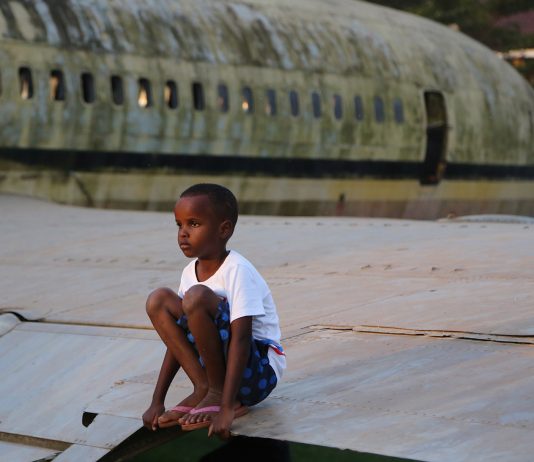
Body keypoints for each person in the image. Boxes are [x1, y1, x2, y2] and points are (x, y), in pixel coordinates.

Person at [142, 183, 285, 438]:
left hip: (257, 371)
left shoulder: (237, 270)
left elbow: (241, 339)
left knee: (196, 298)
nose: (183, 233)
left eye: (194, 224)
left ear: (223, 229)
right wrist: (157, 400)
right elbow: (177, 337)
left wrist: (227, 408)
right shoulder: (189, 273)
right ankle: (203, 387)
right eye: (179, 225)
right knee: (159, 300)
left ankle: (218, 394)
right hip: (222, 367)